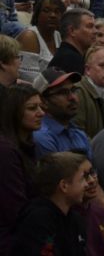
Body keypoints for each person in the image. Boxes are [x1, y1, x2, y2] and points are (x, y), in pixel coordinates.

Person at [11, 151, 91, 256]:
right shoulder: (38, 220)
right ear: (64, 186)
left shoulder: (75, 219)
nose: (87, 184)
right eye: (82, 179)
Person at [0, 85, 44, 253]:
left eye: (41, 106)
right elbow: (15, 210)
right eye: (32, 108)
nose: (41, 113)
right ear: (14, 112)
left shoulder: (26, 146)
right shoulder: (5, 152)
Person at [32, 68, 92, 159]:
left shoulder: (78, 132)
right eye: (63, 92)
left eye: (73, 90)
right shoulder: (42, 136)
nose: (72, 97)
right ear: (43, 102)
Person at [17, 0, 64, 82]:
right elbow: (28, 79)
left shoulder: (58, 35)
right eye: (46, 11)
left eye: (57, 12)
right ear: (37, 15)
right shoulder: (29, 37)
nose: (53, 15)